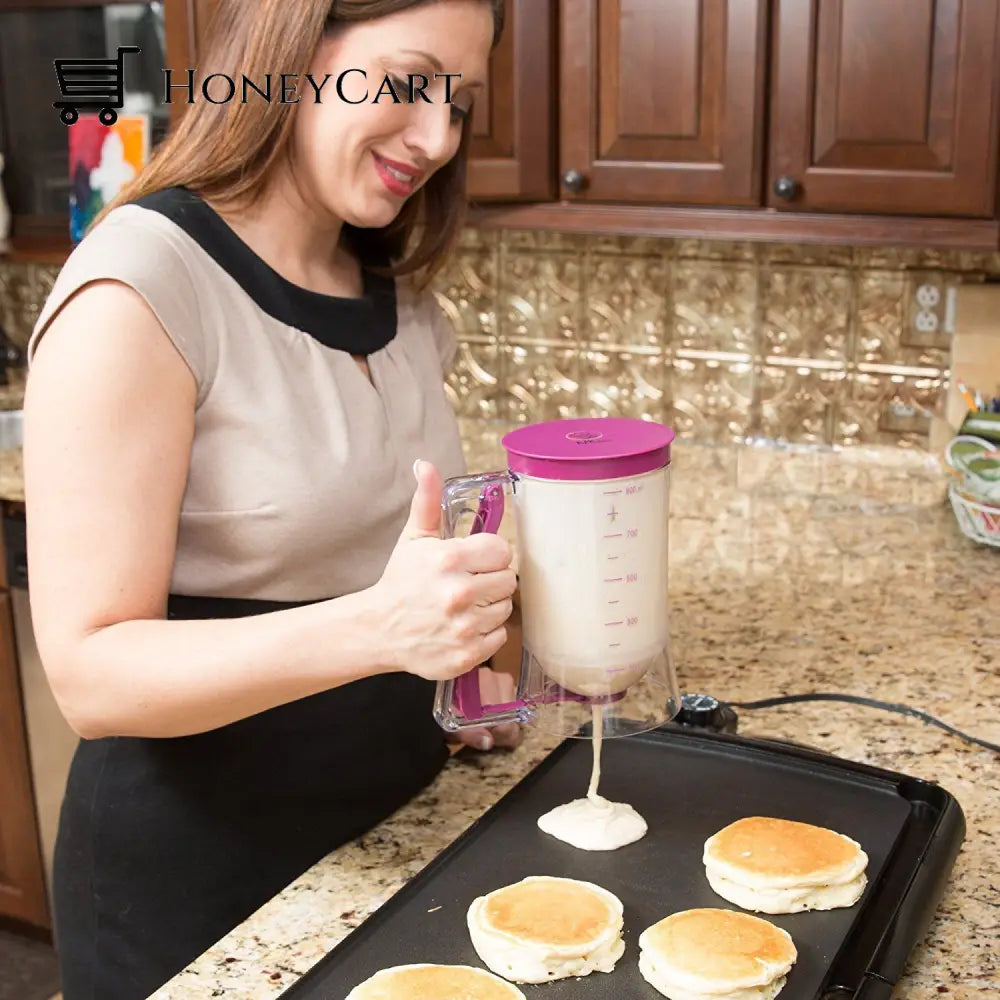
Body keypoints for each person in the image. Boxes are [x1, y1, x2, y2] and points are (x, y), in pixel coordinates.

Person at [22, 2, 519, 998]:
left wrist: (462, 678)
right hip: (199, 897)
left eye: (458, 103)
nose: (436, 137)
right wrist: (383, 630)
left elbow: (379, 563)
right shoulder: (143, 284)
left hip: (389, 849)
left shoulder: (403, 299)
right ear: (293, 48)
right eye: (412, 81)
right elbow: (91, 673)